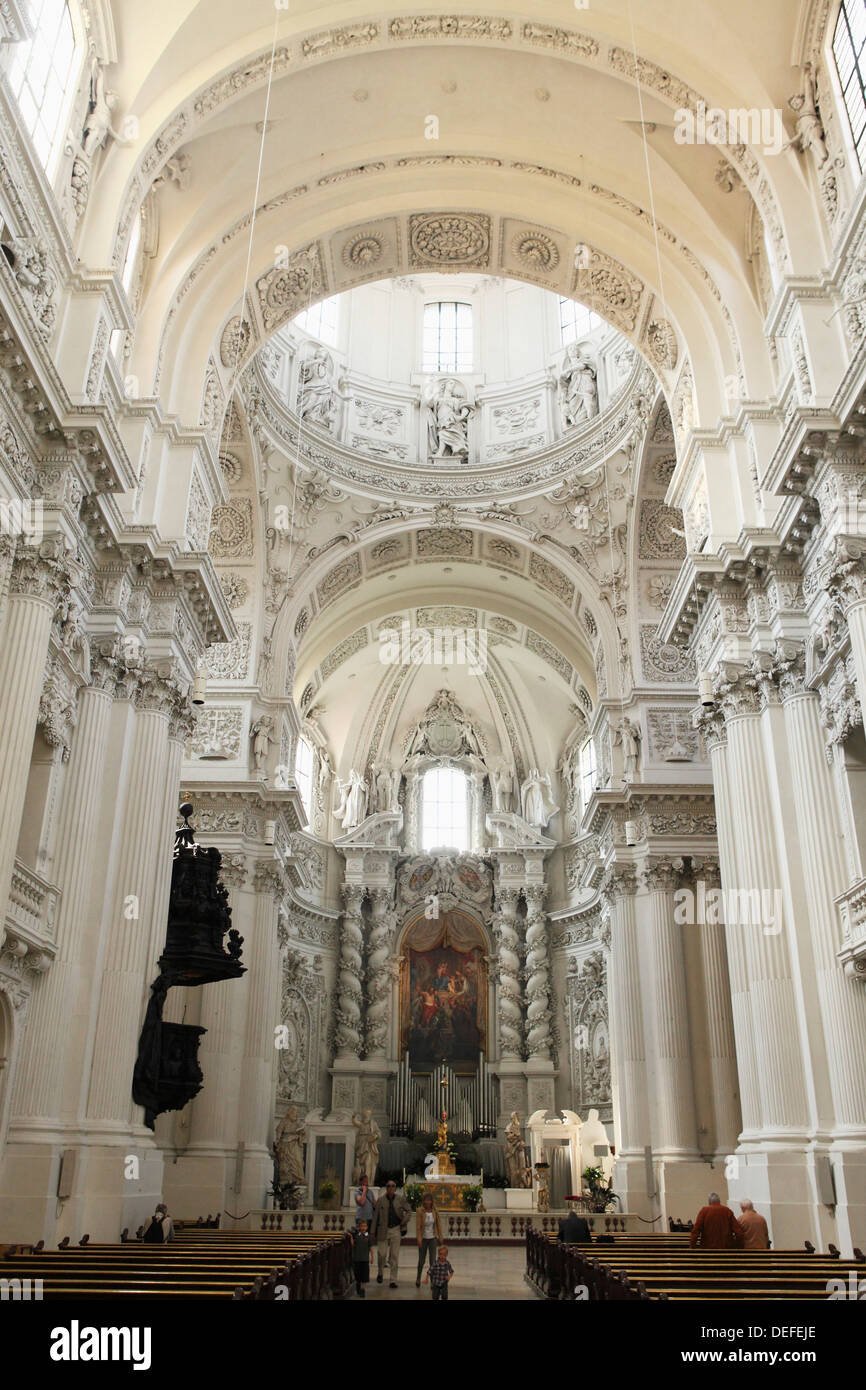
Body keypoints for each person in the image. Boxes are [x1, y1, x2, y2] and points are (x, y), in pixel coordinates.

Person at [369, 1179, 410, 1288]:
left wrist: (404, 1220)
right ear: (386, 1188)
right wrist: (372, 1231)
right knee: (382, 1254)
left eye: (392, 1186)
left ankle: (393, 1280)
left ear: (395, 1188)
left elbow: (409, 1211)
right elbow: (375, 1216)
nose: (390, 1188)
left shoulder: (400, 1199)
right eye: (388, 1186)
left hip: (396, 1229)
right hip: (383, 1229)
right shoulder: (381, 1200)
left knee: (394, 1256)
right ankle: (380, 1271)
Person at [415, 1194, 442, 1287]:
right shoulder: (420, 1211)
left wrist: (440, 1237)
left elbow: (438, 1225)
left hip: (432, 1238)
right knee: (421, 1260)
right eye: (426, 1200)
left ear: (431, 1201)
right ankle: (418, 1277)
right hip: (423, 1238)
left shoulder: (435, 1211)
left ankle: (432, 1281)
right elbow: (418, 1227)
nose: (427, 1202)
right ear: (424, 1201)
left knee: (432, 1261)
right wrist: (419, 1239)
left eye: (429, 1200)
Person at [351, 1219, 371, 1298]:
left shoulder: (368, 1236)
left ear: (367, 1227)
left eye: (365, 1226)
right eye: (362, 1226)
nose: (363, 1228)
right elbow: (353, 1245)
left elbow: (370, 1247)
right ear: (359, 1227)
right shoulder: (357, 1236)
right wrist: (350, 1238)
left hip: (365, 1259)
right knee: (358, 1275)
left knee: (364, 1276)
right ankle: (358, 1285)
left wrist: (372, 1257)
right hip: (357, 1259)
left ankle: (363, 1290)